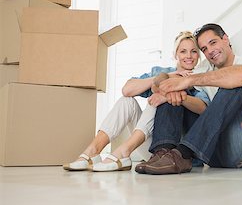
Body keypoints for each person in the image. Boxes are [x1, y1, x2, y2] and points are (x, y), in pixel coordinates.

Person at [63, 31, 210, 172]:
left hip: (179, 152)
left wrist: (168, 94)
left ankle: (124, 151)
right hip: (153, 149)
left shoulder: (199, 78)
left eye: (194, 51)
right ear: (175, 54)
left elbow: (204, 108)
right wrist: (167, 77)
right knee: (127, 100)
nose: (189, 56)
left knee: (160, 96)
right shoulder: (162, 72)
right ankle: (93, 151)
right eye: (183, 51)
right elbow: (127, 90)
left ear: (199, 55)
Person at [135, 23, 242, 175]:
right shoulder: (205, 69)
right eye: (204, 49)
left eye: (213, 42)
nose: (210, 51)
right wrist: (167, 88)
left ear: (225, 39)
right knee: (177, 90)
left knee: (233, 84)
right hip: (211, 154)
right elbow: (166, 77)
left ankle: (183, 153)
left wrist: (188, 81)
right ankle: (163, 153)